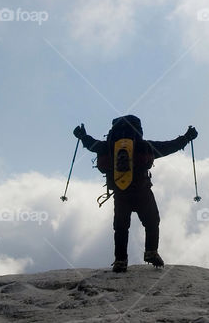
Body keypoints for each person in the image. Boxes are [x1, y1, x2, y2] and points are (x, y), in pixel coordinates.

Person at [73, 115, 198, 273]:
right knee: (152, 221)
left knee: (121, 227)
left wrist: (82, 135)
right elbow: (169, 146)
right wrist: (187, 137)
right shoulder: (144, 146)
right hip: (142, 191)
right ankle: (151, 252)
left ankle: (120, 261)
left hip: (120, 193)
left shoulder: (107, 147)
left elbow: (91, 144)